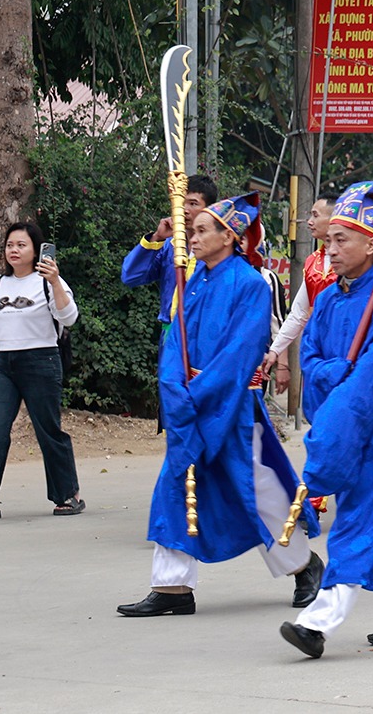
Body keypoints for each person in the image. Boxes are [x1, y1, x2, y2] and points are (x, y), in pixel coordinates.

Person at [119, 194, 324, 616]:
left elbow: (240, 353)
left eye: (200, 231)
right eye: (191, 231)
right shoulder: (192, 281)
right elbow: (176, 339)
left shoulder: (250, 285)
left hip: (229, 406)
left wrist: (197, 395)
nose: (191, 237)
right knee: (176, 485)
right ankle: (172, 587)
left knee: (258, 489)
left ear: (228, 237)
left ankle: (304, 565)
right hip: (189, 404)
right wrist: (174, 387)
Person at [280, 182, 373, 657]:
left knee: (359, 516)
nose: (331, 249)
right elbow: (315, 358)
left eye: (341, 240)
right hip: (338, 416)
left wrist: (344, 380)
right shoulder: (326, 300)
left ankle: (319, 620)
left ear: (372, 244)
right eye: (329, 240)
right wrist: (336, 374)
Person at [0, 222, 83, 521]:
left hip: (41, 361)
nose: (14, 250)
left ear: (35, 249)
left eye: (21, 245)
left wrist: (55, 282)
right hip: (5, 365)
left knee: (48, 430)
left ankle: (68, 494)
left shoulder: (46, 282)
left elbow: (69, 318)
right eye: (9, 245)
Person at [261, 196, 335, 400]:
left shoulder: (354, 261)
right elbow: (299, 313)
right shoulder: (312, 262)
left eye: (315, 215)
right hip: (315, 346)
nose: (309, 221)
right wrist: (275, 350)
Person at [121, 174, 219, 328]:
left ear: (209, 210)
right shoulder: (169, 246)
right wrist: (157, 238)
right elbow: (130, 276)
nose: (185, 210)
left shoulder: (217, 253)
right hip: (169, 336)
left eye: (193, 204)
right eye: (181, 203)